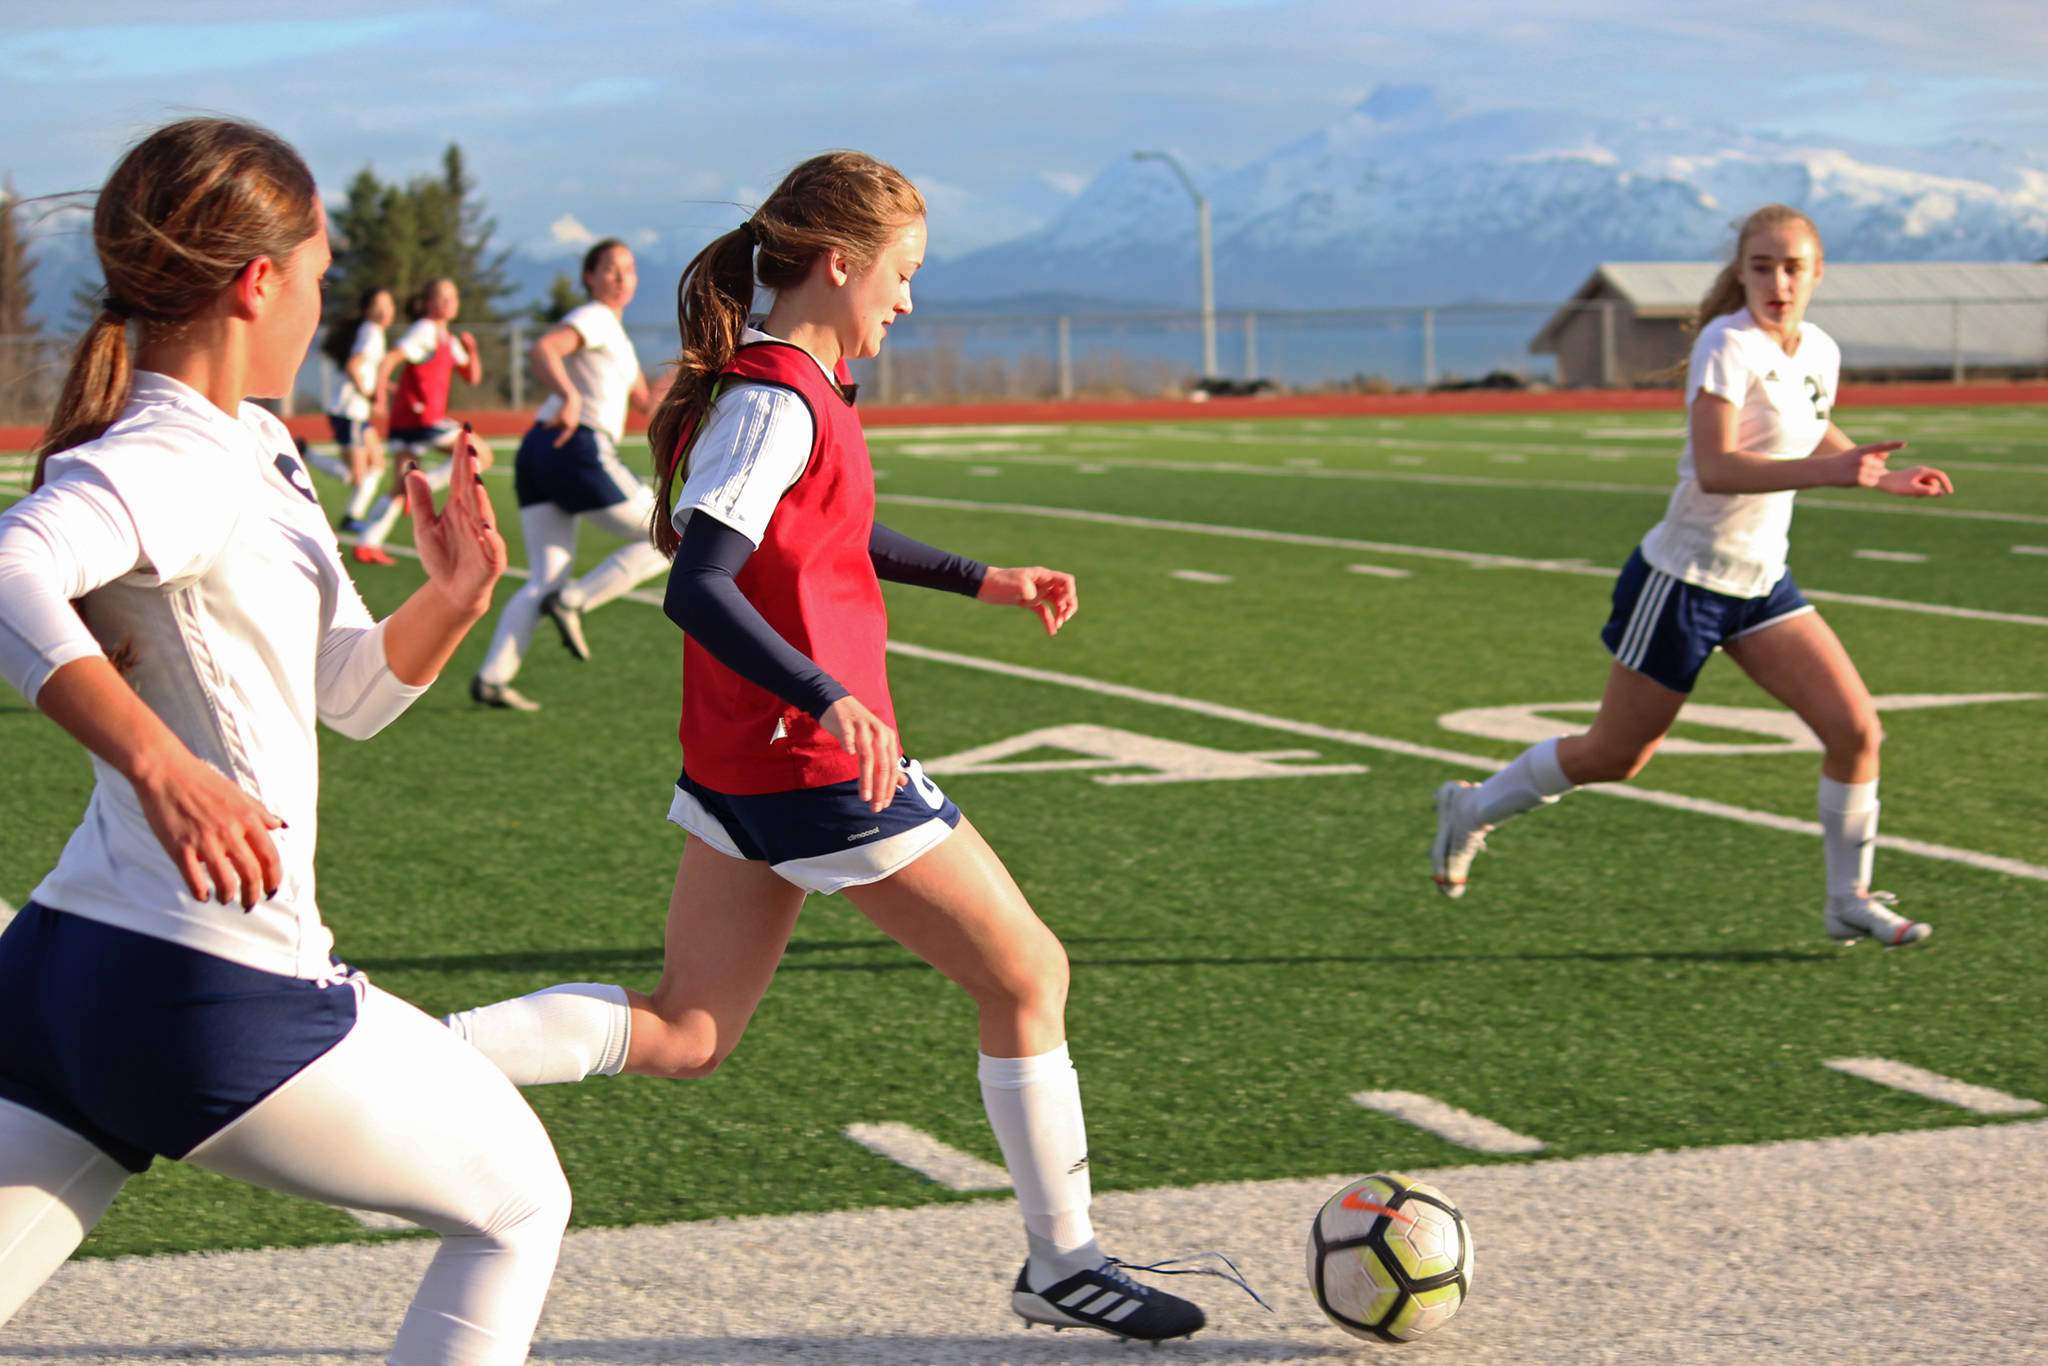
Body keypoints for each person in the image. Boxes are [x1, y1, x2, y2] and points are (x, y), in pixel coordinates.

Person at [442, 152, 1210, 1341]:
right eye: (901, 273)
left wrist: (977, 578)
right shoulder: (776, 395)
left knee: (688, 1033)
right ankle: (1063, 1261)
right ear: (839, 263)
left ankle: (410, 1052)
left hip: (744, 767)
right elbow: (699, 584)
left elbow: (834, 532)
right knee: (1026, 974)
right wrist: (826, 694)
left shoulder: (792, 384)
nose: (908, 299)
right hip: (813, 765)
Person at [0, 118, 569, 1363]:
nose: (321, 303)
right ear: (259, 282)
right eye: (315, 273)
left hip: (60, 976)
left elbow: (348, 694)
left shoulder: (254, 445)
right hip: (201, 986)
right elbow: (12, 566)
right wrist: (160, 763)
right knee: (519, 1204)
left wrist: (453, 599)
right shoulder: (174, 452)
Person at [1429, 203, 1953, 947]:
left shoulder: (1819, 349)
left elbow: (1809, 423)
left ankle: (1848, 899)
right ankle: (1471, 810)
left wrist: (1879, 474)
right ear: (1740, 273)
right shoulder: (1726, 343)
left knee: (1857, 730)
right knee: (1616, 755)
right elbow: (1716, 467)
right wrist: (1834, 473)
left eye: (1793, 267)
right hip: (1684, 582)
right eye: (1762, 266)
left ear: (1818, 273)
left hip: (1761, 583)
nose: (1778, 281)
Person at [470, 238, 669, 710]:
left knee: (545, 578)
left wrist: (692, 364)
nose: (621, 278)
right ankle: (575, 601)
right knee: (672, 533)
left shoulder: (615, 335)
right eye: (610, 269)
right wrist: (570, 394)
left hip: (539, 449)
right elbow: (544, 349)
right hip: (574, 444)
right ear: (590, 277)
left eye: (629, 269)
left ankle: (492, 678)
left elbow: (647, 404)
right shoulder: (594, 317)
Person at [351, 276, 487, 565]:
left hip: (406, 421)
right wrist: (379, 397)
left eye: (453, 297)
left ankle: (367, 544)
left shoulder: (447, 339)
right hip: (422, 417)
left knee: (399, 487)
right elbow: (390, 359)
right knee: (481, 455)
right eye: (442, 297)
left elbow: (472, 377)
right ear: (429, 303)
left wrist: (472, 351)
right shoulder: (425, 330)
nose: (449, 303)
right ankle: (422, 487)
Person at [312, 284, 393, 531]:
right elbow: (353, 366)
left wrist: (388, 388)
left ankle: (352, 516)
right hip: (349, 411)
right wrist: (370, 396)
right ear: (368, 311)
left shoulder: (370, 330)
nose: (385, 311)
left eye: (388, 305)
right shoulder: (372, 331)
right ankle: (306, 453)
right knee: (356, 476)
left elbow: (364, 370)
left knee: (377, 465)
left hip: (356, 412)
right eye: (378, 306)